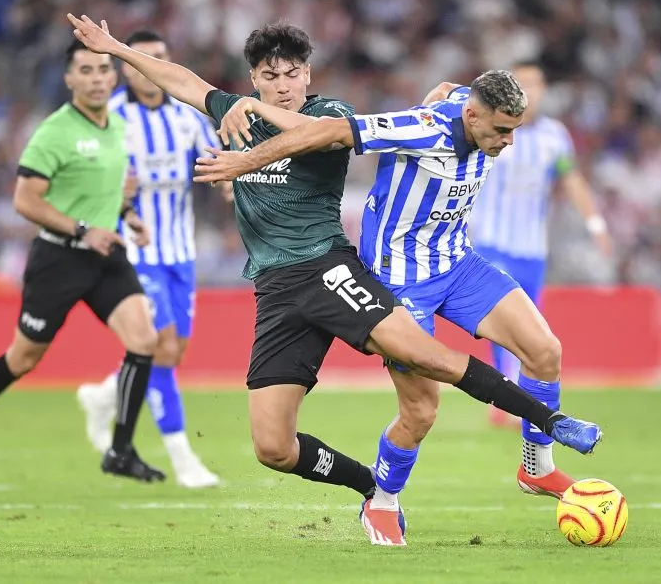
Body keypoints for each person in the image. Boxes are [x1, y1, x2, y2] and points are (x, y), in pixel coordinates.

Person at [68, 14, 601, 548]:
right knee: (273, 446)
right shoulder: (234, 114)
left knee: (444, 363)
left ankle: (546, 429)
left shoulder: (329, 113)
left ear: (307, 75)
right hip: (276, 291)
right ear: (254, 77)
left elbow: (320, 137)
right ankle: (372, 487)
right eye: (271, 76)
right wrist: (115, 46)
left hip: (331, 268)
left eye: (294, 73)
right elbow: (181, 80)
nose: (284, 85)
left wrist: (244, 157)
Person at [191, 70, 604, 539]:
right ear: (473, 117)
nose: (509, 142)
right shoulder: (420, 129)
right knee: (421, 412)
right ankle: (382, 500)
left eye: (515, 129)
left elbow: (450, 88)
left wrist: (440, 91)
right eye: (502, 131)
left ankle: (536, 467)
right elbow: (329, 132)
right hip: (402, 279)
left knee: (545, 351)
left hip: (457, 263)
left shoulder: (471, 103)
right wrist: (244, 163)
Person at [0, 39, 164, 486]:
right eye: (87, 71)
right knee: (23, 359)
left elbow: (104, 193)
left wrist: (129, 216)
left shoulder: (118, 127)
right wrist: (82, 229)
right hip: (58, 258)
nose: (97, 78)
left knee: (144, 339)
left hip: (105, 254)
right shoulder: (54, 132)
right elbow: (25, 200)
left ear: (113, 77)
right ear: (69, 80)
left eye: (103, 70)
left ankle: (120, 450)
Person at [76, 29, 222, 489]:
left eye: (160, 57)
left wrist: (231, 186)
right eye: (143, 59)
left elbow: (217, 164)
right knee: (160, 346)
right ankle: (182, 458)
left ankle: (105, 395)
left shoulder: (187, 116)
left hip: (181, 250)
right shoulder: (110, 117)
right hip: (133, 252)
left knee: (172, 351)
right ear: (127, 67)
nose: (152, 67)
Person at [469, 62, 612, 427]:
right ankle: (505, 398)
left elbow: (572, 180)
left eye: (536, 84)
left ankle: (516, 394)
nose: (530, 91)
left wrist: (595, 223)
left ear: (545, 90)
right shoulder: (490, 126)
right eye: (523, 84)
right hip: (492, 243)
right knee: (501, 321)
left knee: (531, 326)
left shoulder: (555, 137)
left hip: (533, 248)